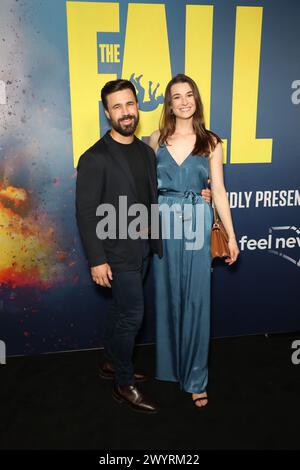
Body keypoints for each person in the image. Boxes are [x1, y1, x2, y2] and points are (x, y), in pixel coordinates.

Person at [76, 78, 211, 414]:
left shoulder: (144, 150)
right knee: (132, 317)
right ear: (107, 112)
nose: (126, 112)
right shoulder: (94, 157)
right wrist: (96, 260)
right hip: (115, 252)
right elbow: (85, 211)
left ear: (138, 107)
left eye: (130, 104)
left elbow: (160, 192)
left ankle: (110, 361)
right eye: (117, 106)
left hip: (144, 248)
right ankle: (124, 383)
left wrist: (200, 194)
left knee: (121, 312)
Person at [149, 74, 239, 408]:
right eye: (177, 96)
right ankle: (171, 369)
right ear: (169, 104)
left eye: (190, 95)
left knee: (197, 301)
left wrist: (231, 236)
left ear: (196, 101)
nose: (184, 101)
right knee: (167, 297)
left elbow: (218, 190)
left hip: (198, 221)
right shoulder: (155, 138)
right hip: (164, 222)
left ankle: (196, 378)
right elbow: (145, 187)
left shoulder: (212, 142)